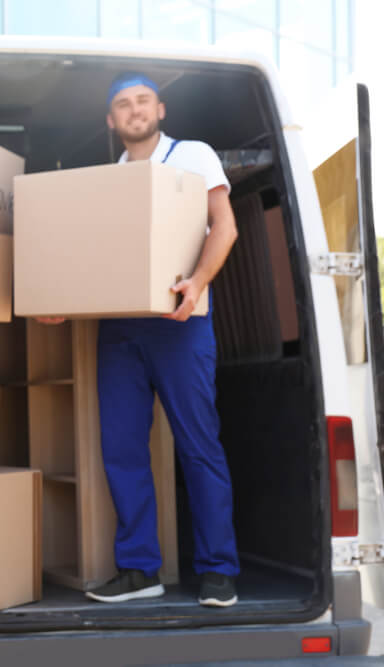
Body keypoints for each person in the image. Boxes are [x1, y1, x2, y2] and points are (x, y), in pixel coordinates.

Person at [46, 73, 241, 607]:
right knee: (123, 449)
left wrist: (197, 283)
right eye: (123, 106)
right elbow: (95, 258)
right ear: (111, 121)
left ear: (160, 109)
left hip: (183, 322)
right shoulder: (111, 177)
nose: (134, 111)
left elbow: (223, 227)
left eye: (143, 102)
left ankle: (219, 570)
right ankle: (139, 569)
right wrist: (59, 301)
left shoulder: (193, 155)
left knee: (199, 446)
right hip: (121, 327)